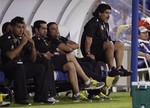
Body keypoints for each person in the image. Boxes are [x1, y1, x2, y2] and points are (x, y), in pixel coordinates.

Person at [32, 20, 105, 102]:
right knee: (70, 57)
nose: (45, 31)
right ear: (36, 30)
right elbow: (49, 53)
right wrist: (56, 51)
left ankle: (77, 94)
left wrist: (55, 50)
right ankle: (87, 81)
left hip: (55, 60)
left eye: (46, 28)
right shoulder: (36, 40)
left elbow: (74, 46)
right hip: (49, 61)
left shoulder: (46, 40)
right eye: (43, 28)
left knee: (71, 65)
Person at [46, 22, 119, 101]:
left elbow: (76, 45)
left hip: (72, 58)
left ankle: (94, 92)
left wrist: (66, 47)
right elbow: (69, 49)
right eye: (53, 29)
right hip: (64, 60)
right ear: (48, 32)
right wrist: (68, 47)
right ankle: (102, 80)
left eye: (57, 28)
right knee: (83, 66)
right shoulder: (52, 40)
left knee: (92, 61)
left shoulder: (61, 38)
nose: (56, 30)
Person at [0, 17, 54, 105]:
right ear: (12, 27)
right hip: (7, 66)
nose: (21, 30)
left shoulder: (21, 39)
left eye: (22, 27)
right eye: (18, 27)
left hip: (20, 66)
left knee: (40, 68)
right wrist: (22, 43)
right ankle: (21, 99)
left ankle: (41, 97)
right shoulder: (5, 38)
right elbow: (10, 56)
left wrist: (32, 45)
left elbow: (33, 59)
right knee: (19, 66)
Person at [80, 3, 132, 77]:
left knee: (120, 44)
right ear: (100, 13)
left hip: (102, 49)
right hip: (93, 51)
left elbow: (105, 39)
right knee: (109, 44)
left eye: (109, 13)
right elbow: (88, 39)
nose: (108, 16)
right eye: (106, 13)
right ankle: (111, 69)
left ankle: (119, 68)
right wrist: (88, 53)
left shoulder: (105, 24)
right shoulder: (93, 22)